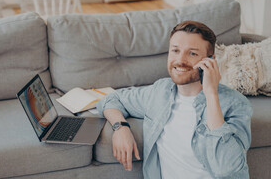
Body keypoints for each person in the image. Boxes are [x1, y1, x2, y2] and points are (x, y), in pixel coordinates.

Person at [96, 21, 252, 179]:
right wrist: (120, 127)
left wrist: (211, 94)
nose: (180, 60)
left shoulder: (235, 104)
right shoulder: (159, 92)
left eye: (192, 53)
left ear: (210, 60)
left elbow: (226, 169)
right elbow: (112, 99)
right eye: (175, 50)